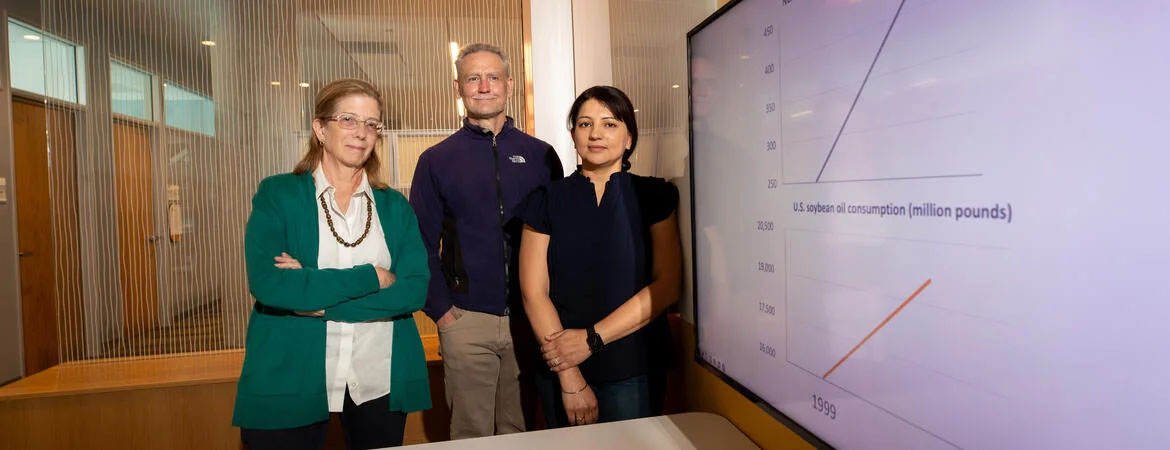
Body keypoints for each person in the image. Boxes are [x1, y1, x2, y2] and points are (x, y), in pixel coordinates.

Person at [232, 78, 431, 450]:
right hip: (290, 376)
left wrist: (316, 300)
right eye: (348, 120)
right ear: (320, 129)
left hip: (377, 379)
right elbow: (270, 284)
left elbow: (414, 289)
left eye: (372, 123)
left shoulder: (393, 207)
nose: (361, 132)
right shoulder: (278, 194)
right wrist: (371, 276)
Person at [409, 43, 563, 439]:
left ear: (509, 85)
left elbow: (560, 238)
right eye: (472, 78)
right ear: (458, 87)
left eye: (492, 77)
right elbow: (418, 244)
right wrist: (442, 311)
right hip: (465, 320)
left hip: (529, 320)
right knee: (471, 435)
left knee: (522, 430)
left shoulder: (541, 155)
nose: (483, 86)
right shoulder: (436, 160)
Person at [516, 85, 682, 427]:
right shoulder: (545, 199)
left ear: (629, 138)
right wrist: (569, 375)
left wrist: (591, 339)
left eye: (609, 124)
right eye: (584, 124)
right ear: (574, 134)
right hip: (561, 366)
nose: (596, 134)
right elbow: (533, 292)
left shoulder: (654, 195)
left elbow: (667, 285)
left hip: (633, 363)